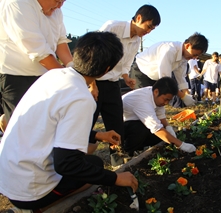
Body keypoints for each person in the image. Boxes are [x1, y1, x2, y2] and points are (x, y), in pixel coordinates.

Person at [0, 31, 138, 212]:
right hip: (29, 193)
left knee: (89, 162)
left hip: (8, 178)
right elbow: (66, 164)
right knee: (94, 165)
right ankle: (37, 209)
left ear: (76, 54)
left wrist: (98, 135)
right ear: (107, 70)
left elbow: (52, 126)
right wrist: (115, 178)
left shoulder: (53, 76)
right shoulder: (81, 97)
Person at [90, 5, 161, 146]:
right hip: (96, 81)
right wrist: (92, 84)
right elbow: (93, 56)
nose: (148, 31)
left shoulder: (136, 40)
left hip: (113, 82)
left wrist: (126, 77)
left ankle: (117, 156)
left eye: (152, 29)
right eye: (148, 27)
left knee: (116, 122)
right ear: (139, 18)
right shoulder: (113, 27)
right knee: (88, 120)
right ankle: (76, 154)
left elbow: (126, 63)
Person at [0, 0, 73, 133]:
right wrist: (71, 80)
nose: (60, 6)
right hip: (16, 76)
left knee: (44, 125)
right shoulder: (16, 3)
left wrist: (74, 69)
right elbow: (39, 52)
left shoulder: (56, 10)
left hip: (44, 76)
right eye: (57, 0)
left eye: (63, 1)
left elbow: (60, 42)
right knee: (23, 131)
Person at [122, 77, 196, 156]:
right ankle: (126, 152)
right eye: (165, 99)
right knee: (143, 129)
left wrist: (168, 127)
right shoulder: (143, 102)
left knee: (161, 135)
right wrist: (181, 145)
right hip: (122, 127)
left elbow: (160, 115)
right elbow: (156, 128)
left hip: (135, 121)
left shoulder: (154, 94)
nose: (166, 103)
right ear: (156, 92)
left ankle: (139, 147)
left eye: (169, 100)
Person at [130, 32, 209, 107]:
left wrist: (187, 94)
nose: (194, 58)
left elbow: (181, 77)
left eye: (197, 56)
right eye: (194, 54)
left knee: (155, 104)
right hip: (141, 71)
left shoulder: (184, 57)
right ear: (188, 46)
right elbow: (165, 79)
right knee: (144, 102)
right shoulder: (169, 50)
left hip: (155, 76)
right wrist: (183, 96)